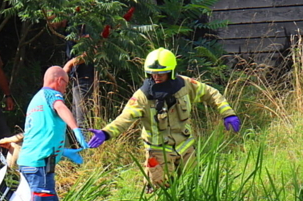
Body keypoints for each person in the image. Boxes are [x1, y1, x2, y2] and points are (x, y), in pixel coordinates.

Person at [86, 48, 240, 188]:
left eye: (161, 73)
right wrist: (106, 133)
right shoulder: (143, 96)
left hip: (186, 148)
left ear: (171, 72)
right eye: (152, 73)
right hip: (158, 153)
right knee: (160, 193)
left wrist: (228, 114)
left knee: (193, 188)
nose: (156, 77)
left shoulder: (185, 85)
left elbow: (211, 93)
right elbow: (125, 118)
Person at [15, 65, 88, 201]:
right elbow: (61, 108)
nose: (65, 90)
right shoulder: (50, 94)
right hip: (38, 166)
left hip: (37, 162)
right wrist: (76, 129)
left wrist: (64, 152)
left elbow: (41, 135)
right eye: (65, 83)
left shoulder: (36, 101)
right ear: (58, 81)